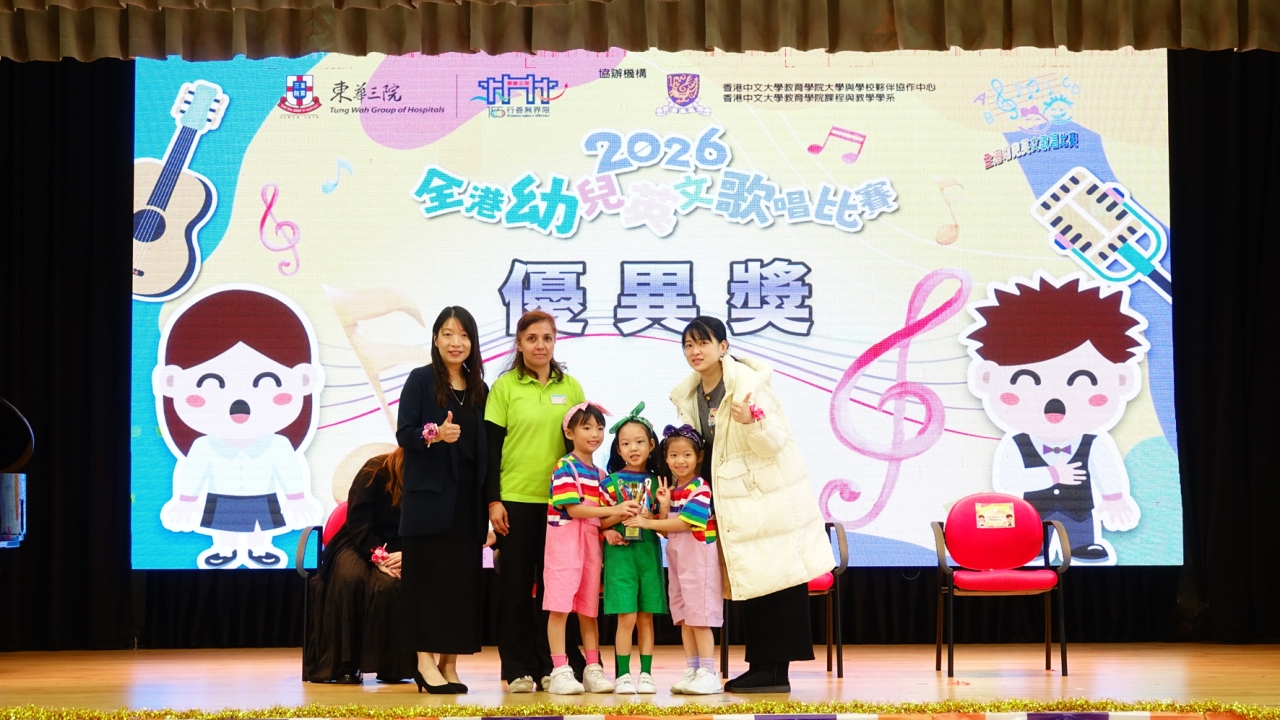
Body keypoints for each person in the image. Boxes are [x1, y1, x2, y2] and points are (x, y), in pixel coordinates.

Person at [669, 316, 833, 693]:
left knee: (776, 579)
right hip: (732, 500)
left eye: (703, 343)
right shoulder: (691, 394)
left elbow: (775, 441)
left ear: (723, 347)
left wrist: (751, 421)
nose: (695, 351)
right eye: (689, 345)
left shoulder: (748, 385)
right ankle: (764, 668)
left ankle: (774, 672)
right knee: (755, 581)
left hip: (767, 496)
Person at [484, 310, 589, 692]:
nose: (540, 345)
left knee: (556, 590)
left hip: (561, 504)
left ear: (555, 341)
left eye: (547, 338)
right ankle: (517, 668)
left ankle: (553, 665)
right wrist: (493, 501)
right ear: (519, 343)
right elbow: (491, 450)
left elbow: (581, 445)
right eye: (531, 338)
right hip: (514, 501)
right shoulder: (504, 388)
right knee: (514, 588)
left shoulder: (571, 388)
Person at [395, 306, 489, 694]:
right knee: (426, 584)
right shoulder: (421, 380)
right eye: (448, 334)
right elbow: (405, 433)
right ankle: (423, 662)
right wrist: (435, 435)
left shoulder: (480, 389)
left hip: (467, 502)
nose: (456, 342)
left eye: (464, 335)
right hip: (429, 501)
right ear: (435, 339)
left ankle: (449, 663)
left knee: (459, 587)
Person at [542, 403, 638, 695]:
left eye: (599, 428)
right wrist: (614, 509)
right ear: (569, 433)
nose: (595, 434)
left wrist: (611, 527)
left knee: (588, 610)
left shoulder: (600, 474)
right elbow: (574, 509)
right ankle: (560, 670)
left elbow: (598, 520)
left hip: (590, 550)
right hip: (564, 548)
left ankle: (593, 668)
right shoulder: (565, 467)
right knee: (559, 608)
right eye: (586, 427)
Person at [623, 424, 723, 695]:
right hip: (679, 563)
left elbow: (684, 523)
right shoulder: (672, 489)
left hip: (699, 562)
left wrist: (647, 523)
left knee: (700, 617)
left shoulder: (701, 488)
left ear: (699, 457)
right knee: (685, 618)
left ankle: (709, 672)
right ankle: (693, 669)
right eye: (674, 455)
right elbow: (668, 527)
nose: (680, 461)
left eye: (687, 455)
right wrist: (663, 506)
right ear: (665, 458)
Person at [302, 450, 416, 684]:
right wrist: (378, 555)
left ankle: (391, 666)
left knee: (390, 586)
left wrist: (410, 554)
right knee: (350, 579)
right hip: (358, 540)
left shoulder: (431, 480)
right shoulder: (375, 470)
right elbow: (358, 521)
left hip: (402, 548)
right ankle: (346, 665)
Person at [598, 402, 667, 695]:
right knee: (626, 616)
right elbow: (599, 523)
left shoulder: (658, 482)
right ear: (618, 449)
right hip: (621, 557)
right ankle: (624, 674)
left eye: (639, 442)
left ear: (651, 444)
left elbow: (663, 526)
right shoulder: (609, 482)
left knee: (645, 617)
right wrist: (613, 525)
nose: (633, 448)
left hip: (648, 555)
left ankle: (647, 674)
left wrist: (657, 512)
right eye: (625, 443)